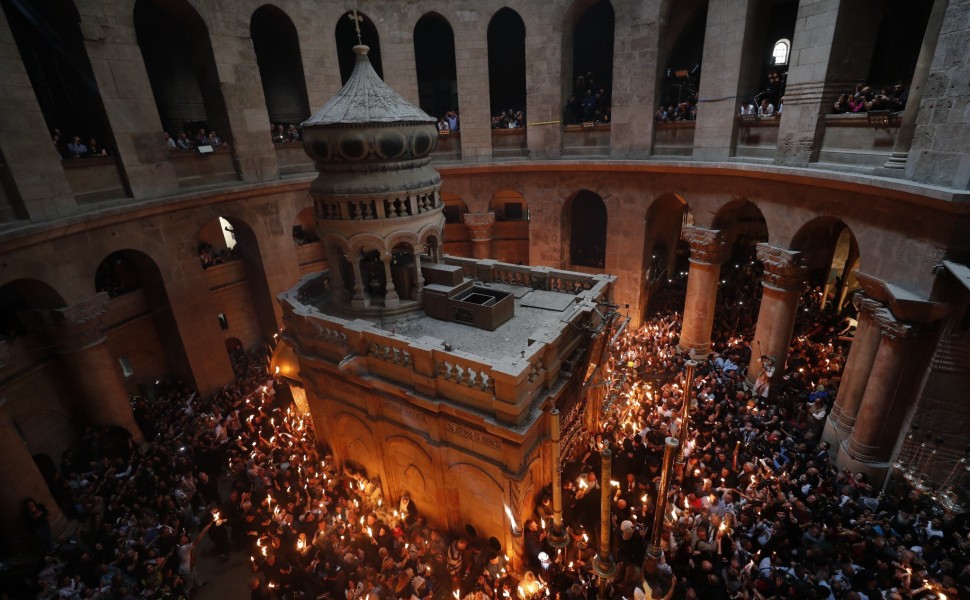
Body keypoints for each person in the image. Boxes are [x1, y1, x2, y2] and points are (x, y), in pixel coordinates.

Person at [177, 521, 214, 596]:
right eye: (184, 538)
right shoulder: (183, 548)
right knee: (189, 585)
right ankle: (185, 596)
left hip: (190, 568)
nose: (186, 537)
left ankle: (199, 585)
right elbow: (198, 539)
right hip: (185, 571)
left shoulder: (183, 546)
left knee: (195, 576)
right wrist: (205, 529)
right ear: (181, 542)